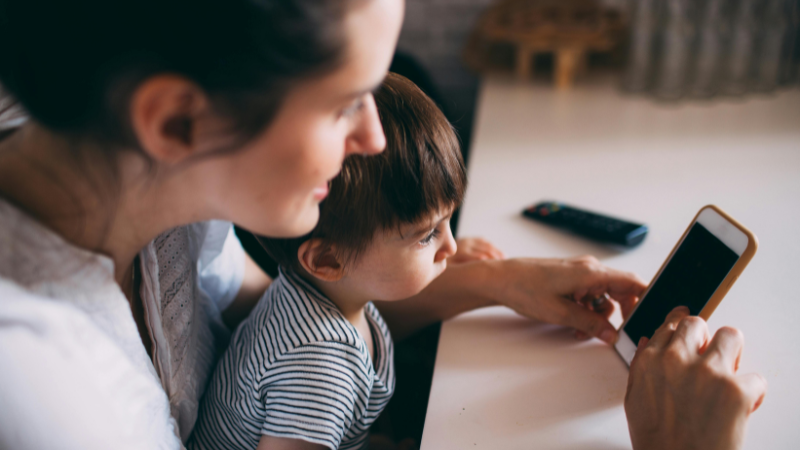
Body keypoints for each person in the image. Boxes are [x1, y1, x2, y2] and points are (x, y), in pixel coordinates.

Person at [0, 0, 765, 449]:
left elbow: (264, 308)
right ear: (176, 120)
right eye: (343, 104)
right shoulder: (39, 392)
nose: (370, 137)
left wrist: (491, 281)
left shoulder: (152, 188)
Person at [190, 72, 469, 450]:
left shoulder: (328, 296)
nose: (451, 246)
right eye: (427, 235)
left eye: (447, 222)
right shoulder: (317, 365)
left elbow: (356, 408)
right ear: (326, 259)